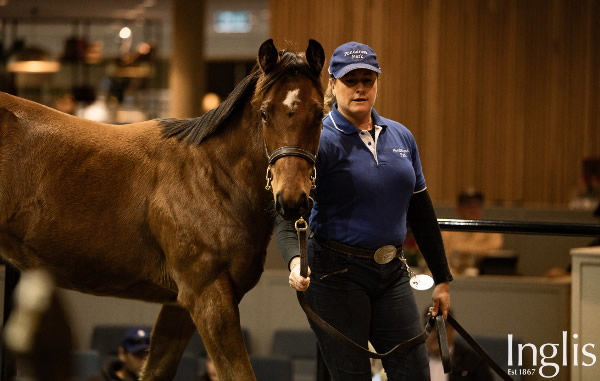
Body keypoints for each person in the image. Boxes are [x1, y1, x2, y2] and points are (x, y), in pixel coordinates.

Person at [275, 41, 452, 381]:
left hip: (391, 273)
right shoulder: (317, 138)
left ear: (377, 84)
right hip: (335, 276)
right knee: (351, 375)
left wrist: (442, 279)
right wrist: (295, 261)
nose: (360, 88)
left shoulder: (402, 136)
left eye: (367, 80)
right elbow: (288, 216)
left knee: (415, 373)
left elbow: (422, 213)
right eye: (350, 79)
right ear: (332, 84)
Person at [441, 189, 504, 274]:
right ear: (458, 208)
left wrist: (461, 250)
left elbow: (494, 251)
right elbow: (444, 254)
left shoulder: (491, 230)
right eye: (468, 205)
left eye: (477, 205)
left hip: (483, 275)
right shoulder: (447, 230)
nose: (473, 209)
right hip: (454, 274)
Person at [424, 309, 493, 381]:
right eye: (430, 328)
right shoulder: (414, 362)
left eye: (441, 327)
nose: (435, 334)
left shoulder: (473, 363)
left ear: (452, 330)